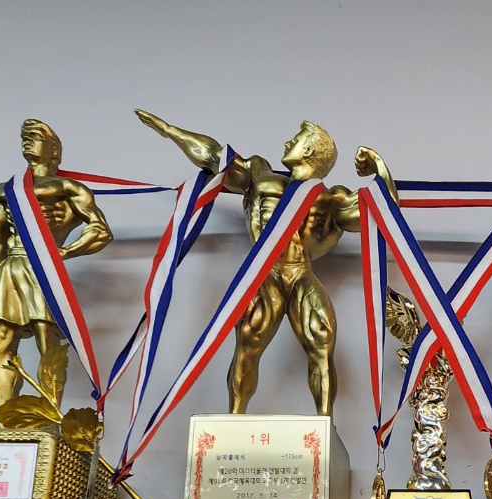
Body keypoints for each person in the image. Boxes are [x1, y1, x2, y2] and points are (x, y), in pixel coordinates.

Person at [136, 110, 397, 415]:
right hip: (265, 272)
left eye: (296, 139)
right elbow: (214, 156)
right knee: (248, 344)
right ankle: (235, 418)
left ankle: (325, 425)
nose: (288, 142)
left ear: (308, 151)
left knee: (321, 342)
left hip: (300, 273)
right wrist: (170, 130)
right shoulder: (260, 174)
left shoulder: (332, 199)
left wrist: (380, 167)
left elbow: (383, 213)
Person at [0, 119, 113, 409]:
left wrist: (65, 252)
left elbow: (100, 231)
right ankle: (4, 420)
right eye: (24, 136)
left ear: (54, 149)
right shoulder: (4, 191)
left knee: (47, 342)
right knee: (1, 341)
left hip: (44, 269)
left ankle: (48, 419)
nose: (27, 140)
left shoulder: (69, 188)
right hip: (9, 269)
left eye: (35, 136)